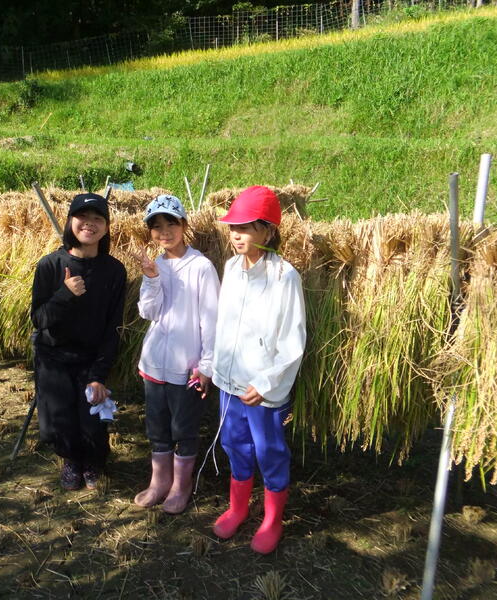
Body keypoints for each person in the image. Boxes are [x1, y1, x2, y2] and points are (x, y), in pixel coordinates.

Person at [210, 185, 306, 554]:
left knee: (269, 450)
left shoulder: (284, 277)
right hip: (229, 382)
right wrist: (216, 368)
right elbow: (225, 325)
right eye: (233, 227)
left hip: (262, 389)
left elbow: (293, 340)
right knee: (233, 442)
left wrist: (266, 383)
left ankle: (272, 519)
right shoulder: (231, 268)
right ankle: (238, 508)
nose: (236, 235)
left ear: (267, 231)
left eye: (246, 228)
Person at [30, 192, 127, 490]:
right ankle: (71, 460)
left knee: (92, 426)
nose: (89, 224)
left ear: (106, 227)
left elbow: (113, 327)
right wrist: (65, 294)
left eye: (98, 218)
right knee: (58, 424)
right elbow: (39, 319)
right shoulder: (50, 265)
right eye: (82, 217)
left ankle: (94, 461)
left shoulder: (114, 271)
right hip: (53, 359)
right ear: (70, 222)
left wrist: (99, 375)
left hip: (90, 360)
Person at [133, 194, 220, 514]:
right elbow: (148, 312)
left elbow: (211, 319)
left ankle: (181, 487)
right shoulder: (155, 265)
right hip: (154, 363)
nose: (164, 231)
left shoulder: (201, 267)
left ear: (184, 225)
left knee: (184, 428)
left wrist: (207, 365)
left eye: (171, 223)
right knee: (157, 428)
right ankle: (159, 483)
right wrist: (151, 278)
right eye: (156, 226)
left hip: (187, 367)